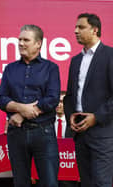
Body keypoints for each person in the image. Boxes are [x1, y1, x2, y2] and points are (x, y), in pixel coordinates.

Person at [0, 24, 61, 187]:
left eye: (26, 40)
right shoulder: (10, 69)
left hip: (43, 133)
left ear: (38, 43)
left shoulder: (51, 68)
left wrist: (22, 114)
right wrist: (21, 108)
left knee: (49, 183)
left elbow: (52, 98)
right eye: (19, 39)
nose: (21, 43)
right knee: (20, 183)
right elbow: (1, 99)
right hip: (16, 134)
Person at [63, 13, 113, 187]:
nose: (76, 31)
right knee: (86, 183)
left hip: (102, 134)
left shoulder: (109, 55)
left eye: (81, 27)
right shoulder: (76, 60)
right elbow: (70, 95)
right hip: (80, 134)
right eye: (76, 27)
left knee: (101, 183)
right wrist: (70, 116)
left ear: (95, 30)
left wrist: (96, 117)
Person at [56, 91, 78, 187]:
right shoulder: (46, 124)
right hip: (50, 173)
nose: (59, 105)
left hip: (69, 176)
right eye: (57, 101)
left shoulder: (75, 125)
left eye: (62, 102)